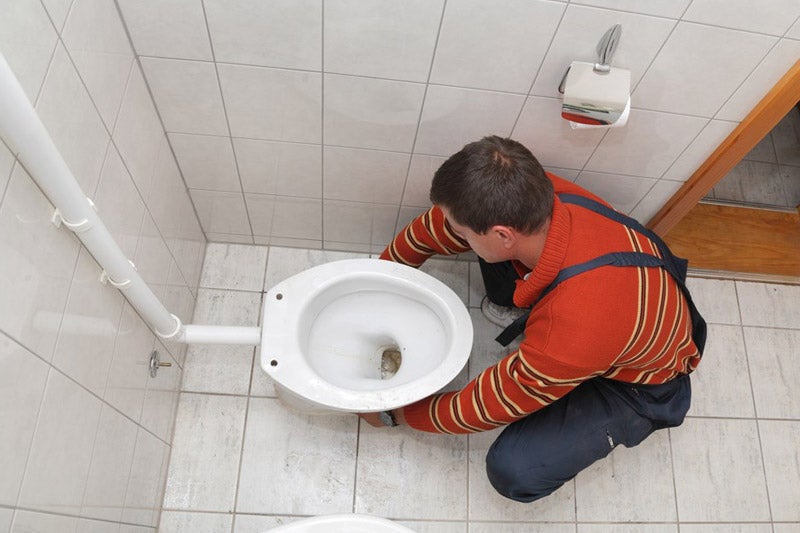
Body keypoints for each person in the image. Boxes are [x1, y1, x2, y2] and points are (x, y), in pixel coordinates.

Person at [360, 135, 706, 503]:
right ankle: (571, 367)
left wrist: (395, 414)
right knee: (487, 252)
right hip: (633, 294)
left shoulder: (575, 326)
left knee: (514, 471)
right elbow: (437, 228)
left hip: (642, 382)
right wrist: (382, 280)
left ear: (503, 235)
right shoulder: (534, 193)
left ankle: (604, 398)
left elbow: (490, 403)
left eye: (461, 232)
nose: (452, 234)